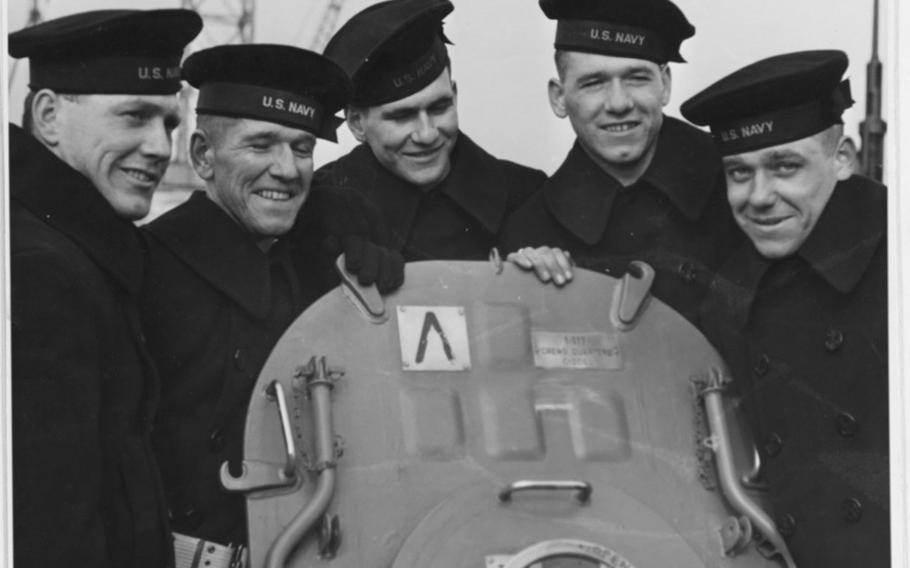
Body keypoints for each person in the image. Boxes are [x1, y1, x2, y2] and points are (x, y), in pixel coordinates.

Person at [139, 44, 403, 566]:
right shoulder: (145, 268)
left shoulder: (327, 269)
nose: (286, 169)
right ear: (201, 156)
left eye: (301, 148)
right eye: (261, 145)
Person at [8, 9, 202, 567]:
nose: (163, 148)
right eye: (134, 116)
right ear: (48, 115)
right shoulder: (41, 272)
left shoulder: (75, 251)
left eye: (168, 123)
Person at [681, 50, 888, 567]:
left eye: (785, 166)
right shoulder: (728, 293)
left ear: (843, 157)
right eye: (739, 172)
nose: (760, 196)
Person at [501, 0, 742, 325]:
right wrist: (525, 284)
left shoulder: (740, 181)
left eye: (636, 78)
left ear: (665, 84)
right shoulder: (530, 231)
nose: (618, 103)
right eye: (593, 83)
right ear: (559, 98)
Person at [315, 0, 546, 261]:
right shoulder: (319, 208)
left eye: (439, 108)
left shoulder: (526, 196)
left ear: (455, 96)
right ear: (357, 123)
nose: (427, 135)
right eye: (402, 116)